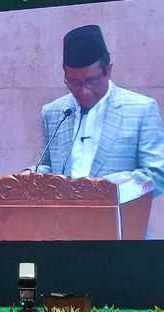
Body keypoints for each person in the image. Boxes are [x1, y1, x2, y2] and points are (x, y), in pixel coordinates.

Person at [35, 24, 164, 196]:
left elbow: (157, 175)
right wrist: (30, 175)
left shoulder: (141, 109)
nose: (83, 91)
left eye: (92, 81)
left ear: (108, 71)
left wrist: (101, 189)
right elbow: (48, 166)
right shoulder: (53, 112)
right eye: (73, 82)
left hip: (119, 220)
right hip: (63, 220)